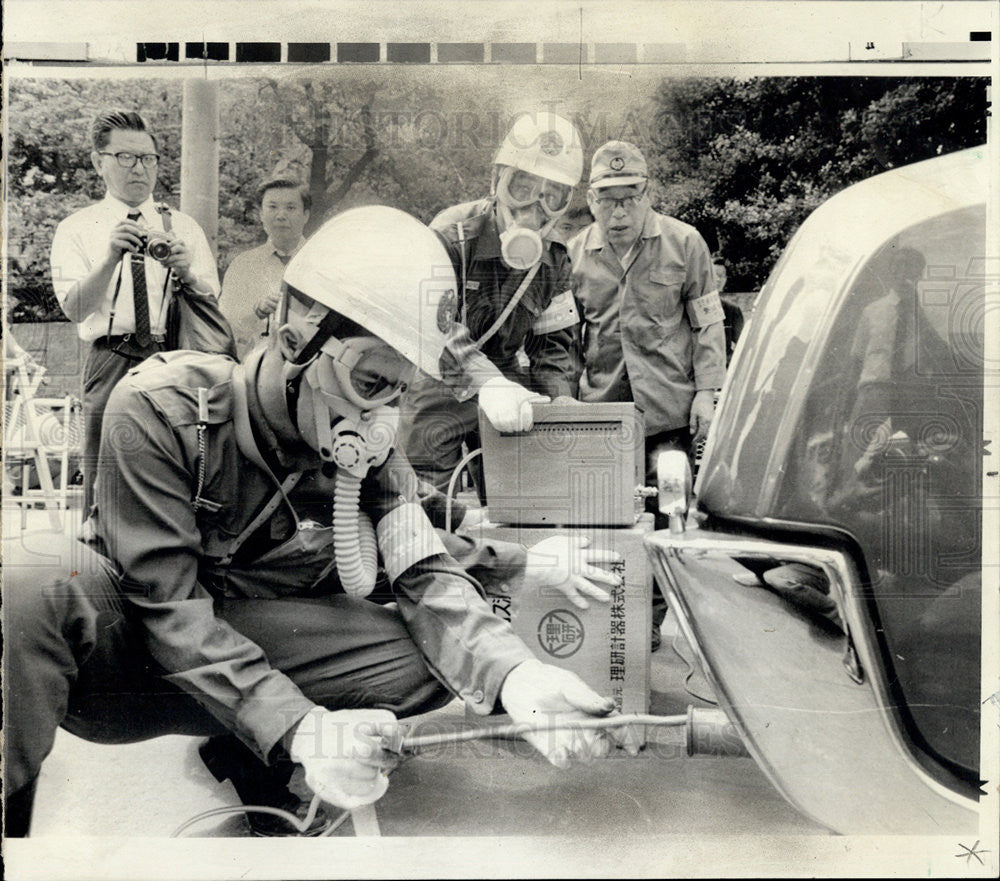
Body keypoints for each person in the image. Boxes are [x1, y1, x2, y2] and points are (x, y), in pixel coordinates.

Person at [4, 206, 633, 838]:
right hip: (124, 666)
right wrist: (303, 725)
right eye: (370, 381)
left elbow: (425, 573)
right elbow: (167, 610)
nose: (382, 413)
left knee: (425, 658)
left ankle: (260, 750)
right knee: (31, 577)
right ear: (296, 344)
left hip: (245, 647)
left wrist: (516, 676)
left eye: (399, 391)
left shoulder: (368, 457)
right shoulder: (162, 410)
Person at [569, 141, 727, 650]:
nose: (618, 211)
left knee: (666, 522)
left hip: (669, 415)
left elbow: (707, 324)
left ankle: (648, 626)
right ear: (590, 199)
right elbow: (565, 343)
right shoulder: (573, 255)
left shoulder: (686, 243)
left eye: (629, 197)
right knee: (604, 523)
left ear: (648, 194)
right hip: (602, 418)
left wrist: (708, 393)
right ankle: (610, 620)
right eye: (606, 198)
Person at [397, 112, 584, 528]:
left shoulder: (553, 258)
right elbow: (435, 324)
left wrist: (559, 404)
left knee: (516, 510)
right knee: (429, 511)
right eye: (523, 187)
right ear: (498, 180)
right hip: (437, 382)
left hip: (507, 390)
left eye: (552, 195)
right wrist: (488, 384)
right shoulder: (450, 234)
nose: (535, 205)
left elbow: (553, 346)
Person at [49, 109, 220, 515]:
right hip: (111, 357)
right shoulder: (77, 227)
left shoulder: (182, 226)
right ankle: (102, 553)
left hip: (171, 356)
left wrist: (185, 270)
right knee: (104, 467)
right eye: (125, 157)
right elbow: (73, 308)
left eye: (148, 158)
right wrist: (109, 258)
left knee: (178, 463)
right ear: (98, 161)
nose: (139, 169)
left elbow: (212, 298)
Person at [220, 178, 311, 359]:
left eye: (290, 208)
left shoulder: (320, 262)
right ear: (261, 214)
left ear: (306, 215)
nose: (281, 215)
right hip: (255, 366)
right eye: (272, 207)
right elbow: (223, 326)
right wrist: (257, 311)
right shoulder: (243, 265)